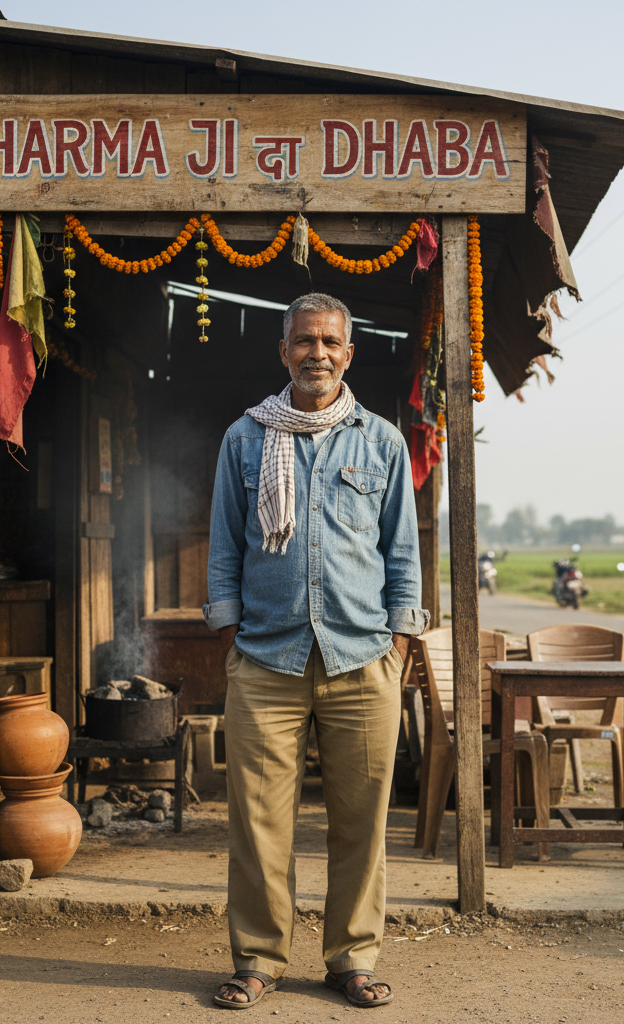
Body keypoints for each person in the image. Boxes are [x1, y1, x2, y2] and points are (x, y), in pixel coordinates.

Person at [203, 292, 429, 1010]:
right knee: (259, 824)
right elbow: (223, 548)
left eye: (331, 342)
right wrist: (231, 636)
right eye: (305, 341)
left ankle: (351, 957)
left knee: (362, 822)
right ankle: (260, 959)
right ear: (284, 351)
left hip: (362, 659)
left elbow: (403, 552)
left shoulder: (382, 441)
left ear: (349, 353)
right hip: (266, 660)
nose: (318, 354)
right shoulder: (244, 439)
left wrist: (397, 643)